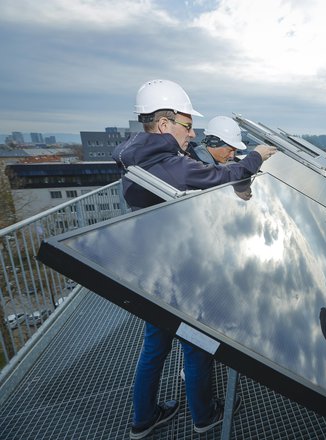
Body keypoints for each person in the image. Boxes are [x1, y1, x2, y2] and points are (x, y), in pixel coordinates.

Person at [112, 79, 276, 439]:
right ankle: (205, 416)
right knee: (197, 346)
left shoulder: (136, 156)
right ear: (165, 124)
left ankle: (144, 419)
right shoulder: (166, 164)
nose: (192, 134)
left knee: (154, 348)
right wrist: (256, 157)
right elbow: (225, 173)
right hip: (180, 272)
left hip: (152, 270)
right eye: (187, 125)